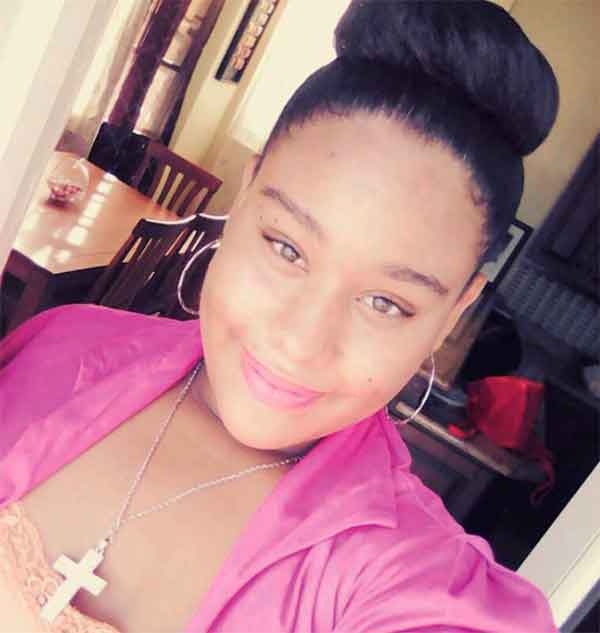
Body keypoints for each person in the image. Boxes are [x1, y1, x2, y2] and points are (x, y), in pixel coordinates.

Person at [0, 1, 560, 631]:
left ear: (454, 311)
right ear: (244, 196)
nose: (300, 341)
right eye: (287, 248)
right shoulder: (62, 345)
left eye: (385, 302)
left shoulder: (411, 580)